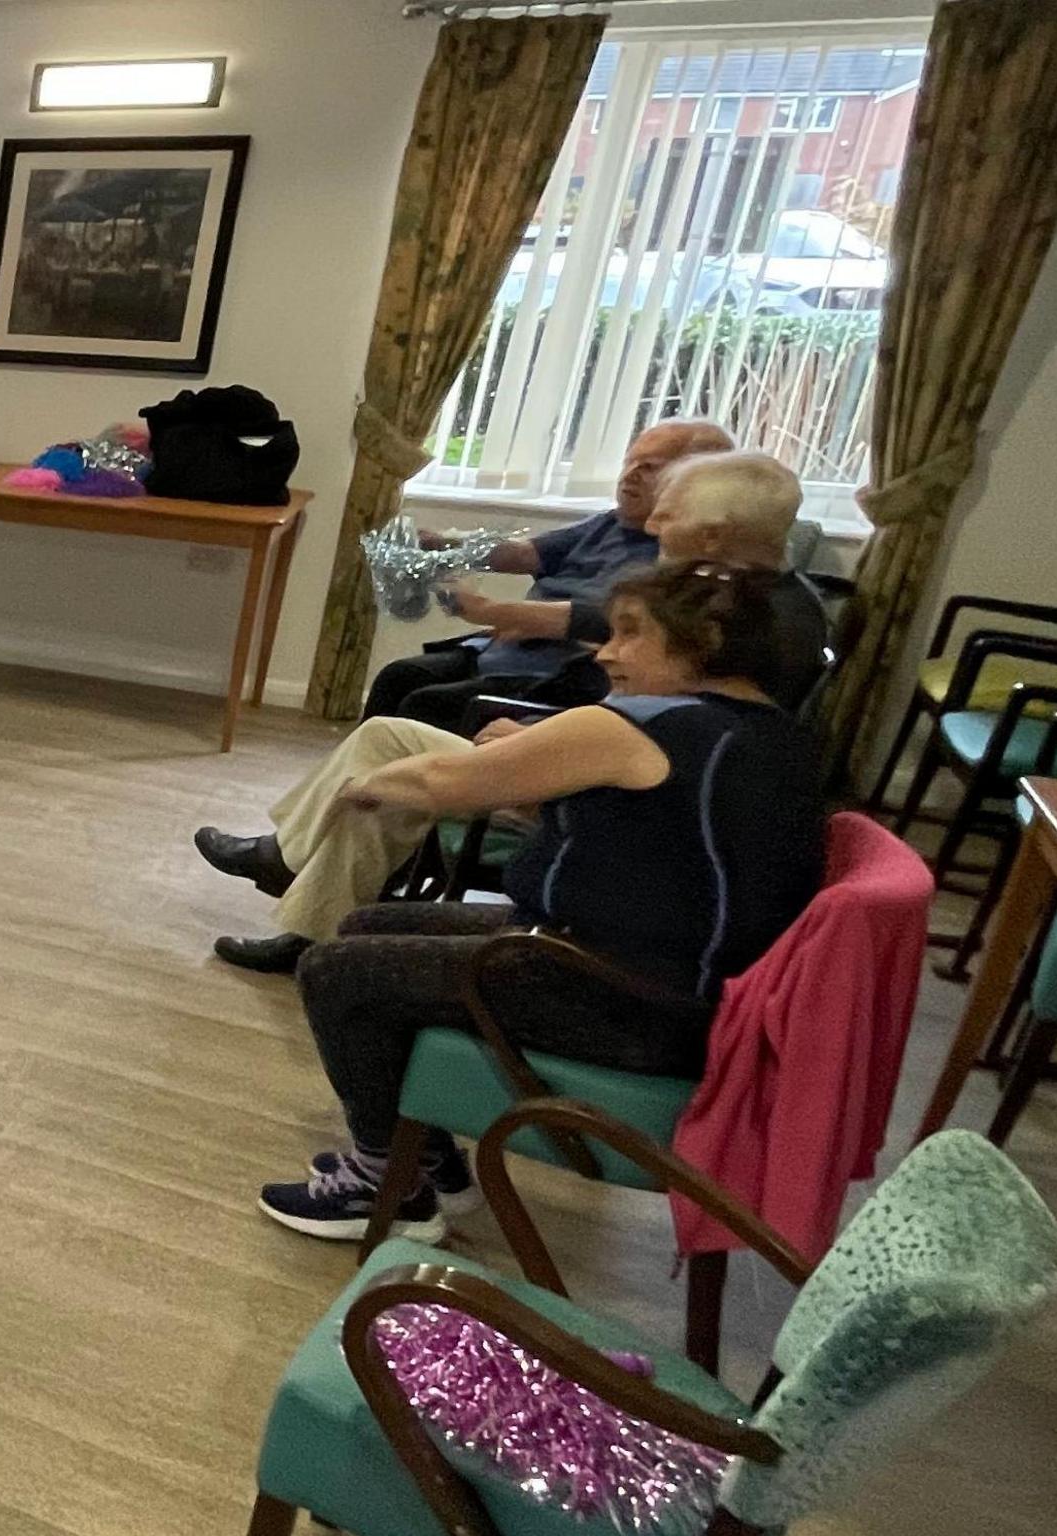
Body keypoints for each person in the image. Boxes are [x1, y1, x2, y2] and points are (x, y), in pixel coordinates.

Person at [250, 561, 826, 1241]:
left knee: (337, 973)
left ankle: (387, 1182)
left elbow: (445, 782)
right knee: (368, 925)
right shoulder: (772, 734)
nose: (607, 653)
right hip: (680, 992)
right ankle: (428, 1160)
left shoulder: (645, 725)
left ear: (704, 638)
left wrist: (360, 785)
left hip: (628, 1000)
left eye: (630, 633)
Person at [194, 450, 833, 974]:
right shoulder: (748, 599)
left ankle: (299, 895)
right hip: (599, 761)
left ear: (716, 536)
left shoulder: (743, 622)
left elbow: (642, 721)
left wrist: (522, 709)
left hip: (619, 809)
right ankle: (300, 888)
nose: (654, 529)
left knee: (398, 768)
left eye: (667, 516)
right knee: (390, 733)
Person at [368, 418, 729, 735]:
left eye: (649, 467)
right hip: (508, 649)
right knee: (398, 677)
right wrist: (445, 546)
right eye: (629, 461)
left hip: (566, 673)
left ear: (695, 481)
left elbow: (596, 620)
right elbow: (528, 553)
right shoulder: (608, 522)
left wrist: (489, 609)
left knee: (426, 705)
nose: (629, 474)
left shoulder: (689, 555)